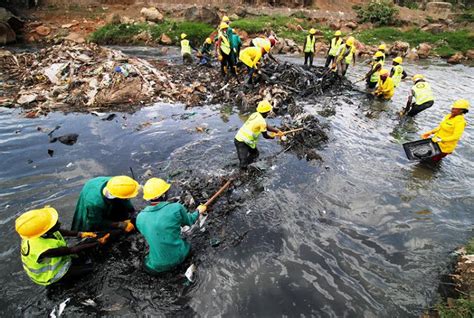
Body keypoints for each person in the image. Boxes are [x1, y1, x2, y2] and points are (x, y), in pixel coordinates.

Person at [15, 206, 110, 286]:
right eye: (55, 223)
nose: (59, 223)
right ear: (46, 231)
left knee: (85, 246)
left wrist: (81, 234)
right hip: (50, 275)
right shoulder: (45, 249)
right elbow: (72, 250)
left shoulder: (34, 233)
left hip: (60, 257)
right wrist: (98, 242)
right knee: (93, 269)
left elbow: (61, 232)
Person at [136, 178, 207, 274]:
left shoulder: (140, 217)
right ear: (164, 194)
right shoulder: (176, 207)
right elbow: (189, 221)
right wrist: (198, 211)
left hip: (156, 267)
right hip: (181, 256)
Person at [71, 176, 139, 232]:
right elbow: (96, 222)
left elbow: (125, 199)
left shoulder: (119, 184)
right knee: (93, 224)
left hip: (101, 184)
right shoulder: (94, 203)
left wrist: (132, 212)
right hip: (91, 189)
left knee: (123, 209)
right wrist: (120, 224)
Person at [234, 100, 283, 169]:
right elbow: (265, 136)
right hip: (241, 141)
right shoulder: (261, 122)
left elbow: (266, 126)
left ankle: (250, 166)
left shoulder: (255, 114)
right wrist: (273, 136)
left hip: (248, 142)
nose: (269, 113)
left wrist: (276, 131)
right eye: (268, 112)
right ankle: (242, 174)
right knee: (243, 163)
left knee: (255, 154)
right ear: (266, 112)